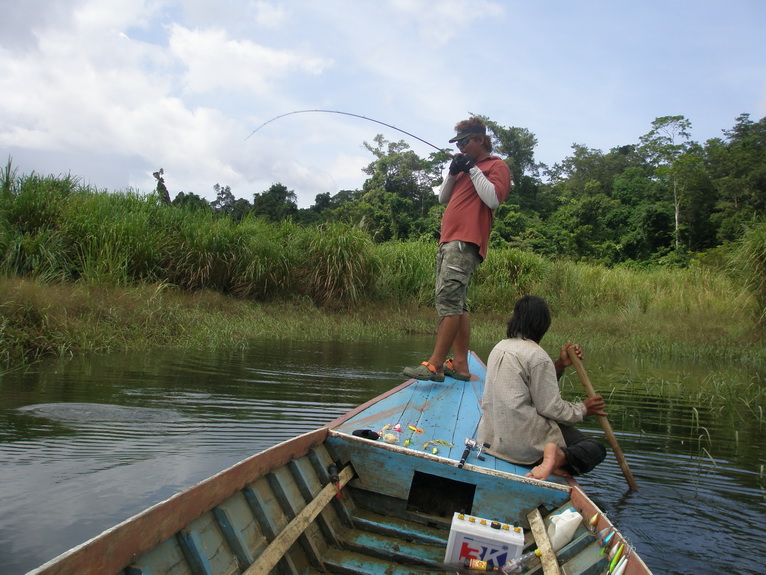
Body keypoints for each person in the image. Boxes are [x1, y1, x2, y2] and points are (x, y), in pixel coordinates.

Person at [403, 117, 511, 383]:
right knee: (458, 303)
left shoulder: (497, 166)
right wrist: (453, 172)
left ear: (480, 139)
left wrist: (473, 169)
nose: (461, 147)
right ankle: (460, 366)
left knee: (448, 300)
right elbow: (443, 197)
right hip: (449, 241)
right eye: (458, 143)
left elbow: (493, 199)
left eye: (464, 141)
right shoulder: (463, 167)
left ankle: (435, 365)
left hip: (466, 241)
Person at [476, 295, 607, 480]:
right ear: (542, 324)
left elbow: (535, 389)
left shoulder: (499, 347)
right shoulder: (538, 356)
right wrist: (583, 409)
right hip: (524, 447)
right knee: (594, 449)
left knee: (566, 438)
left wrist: (560, 365)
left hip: (493, 441)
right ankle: (557, 458)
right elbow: (550, 408)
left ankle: (555, 461)